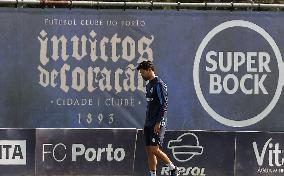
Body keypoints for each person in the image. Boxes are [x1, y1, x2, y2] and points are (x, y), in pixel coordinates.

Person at [137, 60, 180, 176]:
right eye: (140, 73)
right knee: (149, 151)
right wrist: (147, 122)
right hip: (148, 122)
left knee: (154, 149)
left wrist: (159, 122)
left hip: (157, 122)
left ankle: (173, 168)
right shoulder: (149, 85)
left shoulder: (159, 84)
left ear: (150, 70)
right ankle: (153, 174)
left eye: (143, 73)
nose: (142, 75)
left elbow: (163, 104)